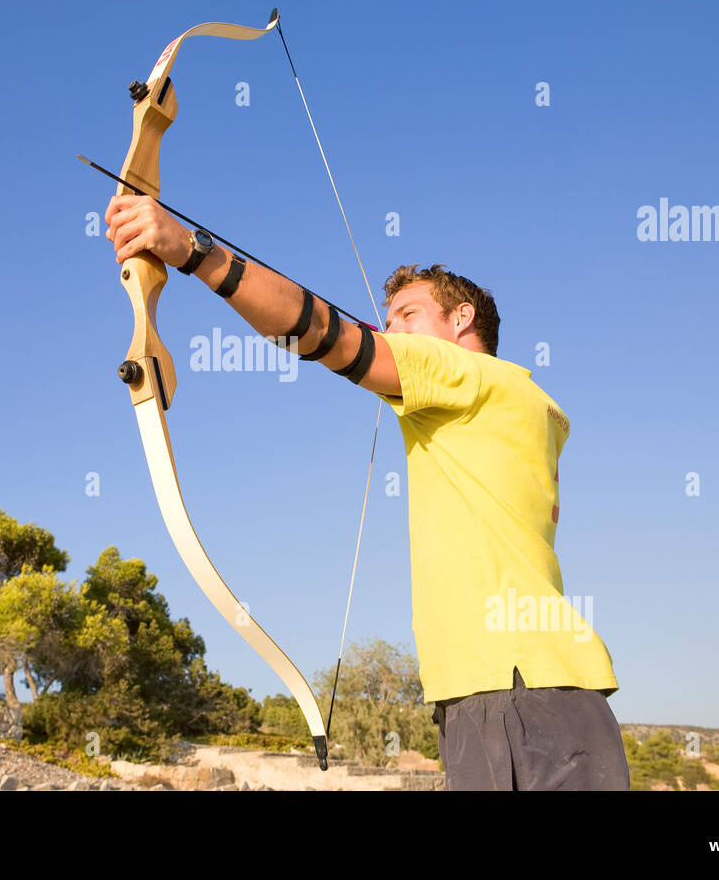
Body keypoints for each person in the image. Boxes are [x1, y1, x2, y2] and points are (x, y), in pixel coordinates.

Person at [104, 193, 631, 791]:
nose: (391, 329)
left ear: (461, 321)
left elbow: (326, 334)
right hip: (532, 692)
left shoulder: (470, 375)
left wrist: (189, 249)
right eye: (390, 318)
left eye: (408, 314)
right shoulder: (516, 402)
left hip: (511, 692)